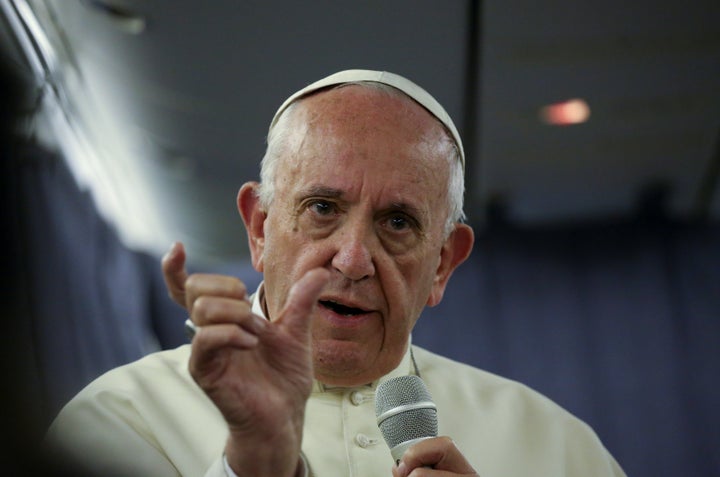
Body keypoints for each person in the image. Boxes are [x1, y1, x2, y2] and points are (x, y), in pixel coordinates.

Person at [46, 69, 626, 477]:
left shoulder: (558, 449)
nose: (352, 260)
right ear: (259, 228)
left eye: (398, 221)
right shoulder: (120, 420)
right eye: (322, 209)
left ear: (443, 263)